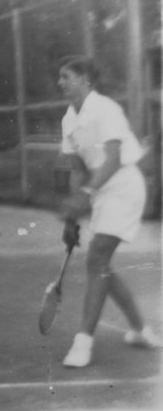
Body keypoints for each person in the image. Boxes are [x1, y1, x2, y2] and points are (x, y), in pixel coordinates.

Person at [56, 56, 159, 368]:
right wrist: (72, 216)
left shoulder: (106, 109)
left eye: (66, 76)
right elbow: (77, 169)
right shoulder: (67, 120)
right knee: (101, 265)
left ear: (86, 79)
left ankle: (83, 341)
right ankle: (141, 330)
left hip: (125, 185)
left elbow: (113, 158)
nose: (60, 83)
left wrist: (86, 194)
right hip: (101, 191)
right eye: (60, 77)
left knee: (97, 257)